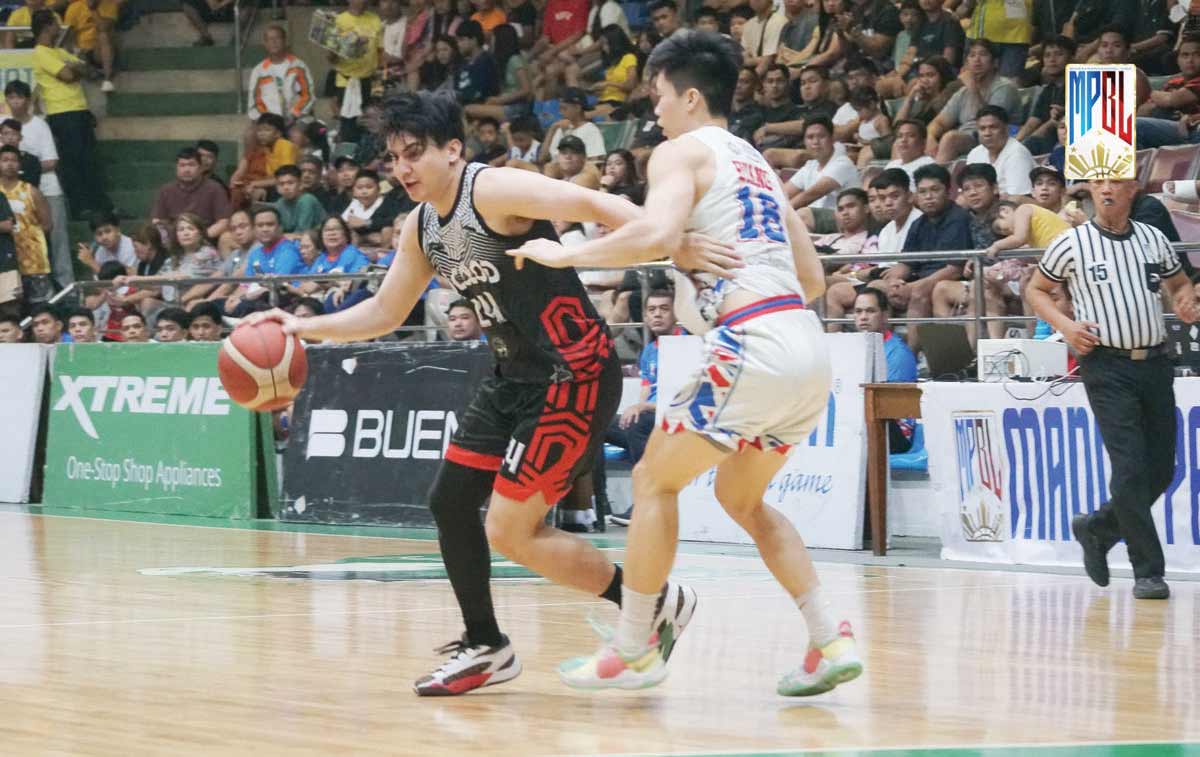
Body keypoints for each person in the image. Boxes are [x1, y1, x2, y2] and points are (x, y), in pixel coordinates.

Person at [242, 91, 724, 696]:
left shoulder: (494, 190)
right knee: (449, 502)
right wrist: (303, 327)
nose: (403, 169)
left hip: (572, 376)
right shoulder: (421, 225)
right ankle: (486, 644)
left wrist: (676, 243)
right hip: (511, 378)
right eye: (394, 158)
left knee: (510, 531)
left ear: (453, 149)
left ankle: (648, 602)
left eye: (414, 153)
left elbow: (594, 201)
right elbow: (388, 310)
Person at [512, 31, 861, 696]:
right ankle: (829, 636)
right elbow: (812, 276)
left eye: (661, 97)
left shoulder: (680, 151)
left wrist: (564, 256)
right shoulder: (756, 163)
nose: (656, 112)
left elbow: (652, 234)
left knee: (652, 481)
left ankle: (634, 644)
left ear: (691, 96)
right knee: (742, 497)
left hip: (751, 342)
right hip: (806, 342)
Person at [1027, 179, 1199, 601]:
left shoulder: (1153, 237)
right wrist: (1066, 327)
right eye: (1099, 183)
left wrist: (1185, 298)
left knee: (1162, 468)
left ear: (1132, 190)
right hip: (1106, 365)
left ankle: (1098, 528)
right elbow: (1035, 289)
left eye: (1115, 184)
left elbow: (1179, 283)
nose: (1106, 191)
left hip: (1156, 361)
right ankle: (1148, 571)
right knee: (1130, 468)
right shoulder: (1073, 243)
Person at [30, 10, 112, 220]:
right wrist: (75, 68)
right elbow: (67, 75)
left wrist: (75, 67)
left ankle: (100, 207)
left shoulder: (58, 52)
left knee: (89, 161)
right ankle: (80, 208)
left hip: (78, 112)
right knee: (74, 163)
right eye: (56, 24)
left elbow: (88, 70)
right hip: (62, 114)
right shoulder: (41, 53)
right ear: (48, 26)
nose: (60, 28)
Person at [852, 284, 915, 451]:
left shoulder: (898, 353)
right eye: (858, 312)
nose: (863, 317)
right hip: (862, 423)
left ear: (885, 316)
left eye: (870, 311)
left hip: (895, 433)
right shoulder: (851, 349)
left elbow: (889, 410)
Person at [248, 25, 316, 123]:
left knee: (297, 137)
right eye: (270, 39)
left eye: (277, 38)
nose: (274, 42)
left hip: (296, 118)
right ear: (265, 44)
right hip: (268, 120)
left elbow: (308, 96)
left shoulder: (298, 66)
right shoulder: (259, 71)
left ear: (285, 41)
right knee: (249, 135)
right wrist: (267, 120)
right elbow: (254, 102)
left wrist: (294, 115)